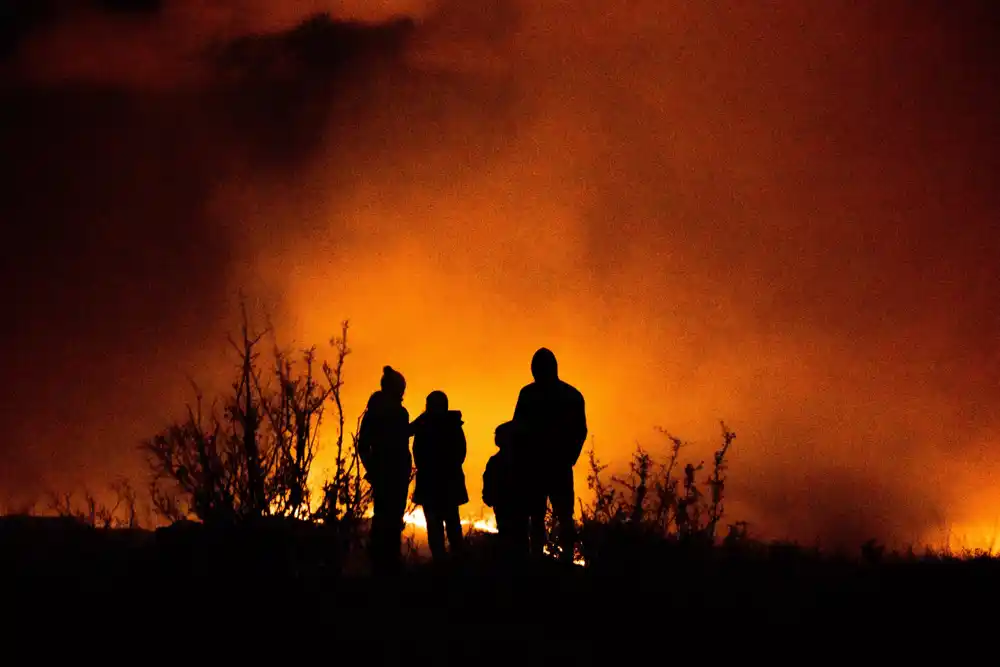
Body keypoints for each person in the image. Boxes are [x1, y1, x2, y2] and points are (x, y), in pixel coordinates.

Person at [512, 347, 588, 563]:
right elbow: (580, 432)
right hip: (551, 466)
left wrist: (566, 458)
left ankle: (543, 559)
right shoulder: (571, 395)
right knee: (556, 517)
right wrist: (568, 458)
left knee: (546, 516)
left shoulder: (529, 394)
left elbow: (518, 428)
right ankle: (561, 560)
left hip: (545, 466)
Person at [357, 365, 412, 574]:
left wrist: (372, 468)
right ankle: (388, 564)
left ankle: (382, 563)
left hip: (388, 472)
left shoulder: (375, 412)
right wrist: (374, 468)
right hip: (393, 473)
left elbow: (364, 445)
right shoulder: (396, 412)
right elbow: (395, 440)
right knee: (389, 519)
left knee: (384, 518)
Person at [410, 390, 469, 564]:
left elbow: (418, 452)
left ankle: (448, 564)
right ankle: (448, 564)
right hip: (444, 484)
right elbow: (460, 453)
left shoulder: (428, 426)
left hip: (437, 485)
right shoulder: (451, 425)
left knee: (444, 527)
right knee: (446, 526)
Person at [483, 420, 528, 558]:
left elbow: (489, 480)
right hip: (507, 504)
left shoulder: (499, 461)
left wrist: (489, 496)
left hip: (510, 504)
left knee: (514, 534)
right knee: (516, 534)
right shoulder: (521, 460)